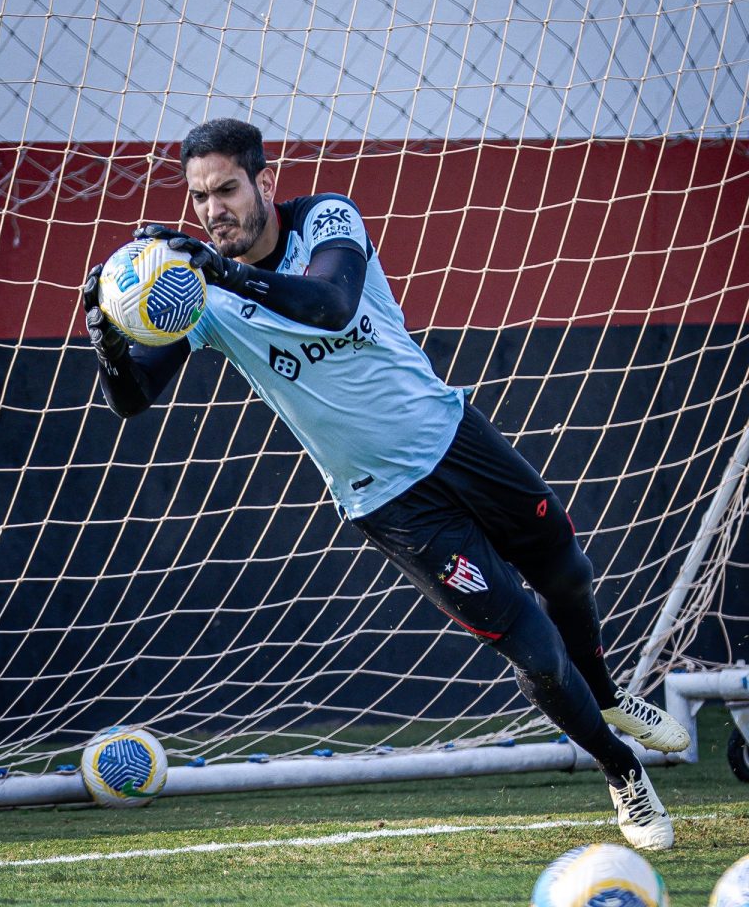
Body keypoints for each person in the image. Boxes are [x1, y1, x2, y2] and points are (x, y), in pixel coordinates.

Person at [82, 117, 689, 850]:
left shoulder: (327, 218)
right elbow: (132, 399)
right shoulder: (198, 299)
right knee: (531, 650)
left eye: (227, 189)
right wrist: (110, 338)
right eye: (200, 196)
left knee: (568, 574)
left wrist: (224, 272)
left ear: (264, 182)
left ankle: (610, 695)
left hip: (455, 437)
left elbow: (330, 304)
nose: (213, 210)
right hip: (389, 502)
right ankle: (620, 767)